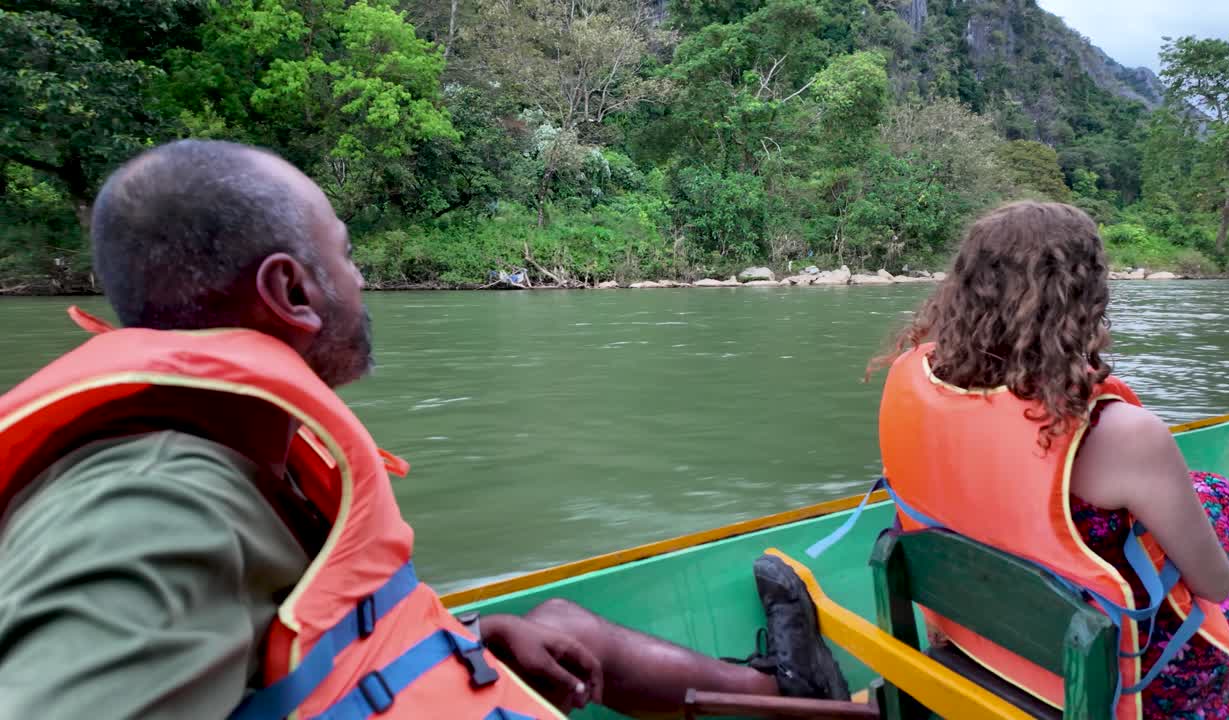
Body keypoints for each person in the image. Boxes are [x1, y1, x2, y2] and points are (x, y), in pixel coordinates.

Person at [0, 140, 851, 719]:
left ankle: (783, 693)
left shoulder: (230, 445)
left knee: (561, 625)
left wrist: (472, 641)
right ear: (293, 292)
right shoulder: (148, 505)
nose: (360, 278)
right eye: (347, 253)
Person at [869, 200, 1229, 719]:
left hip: (980, 634)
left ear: (964, 289)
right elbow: (1217, 587)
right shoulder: (1123, 435)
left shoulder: (921, 386)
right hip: (1113, 668)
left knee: (1212, 496)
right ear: (1086, 300)